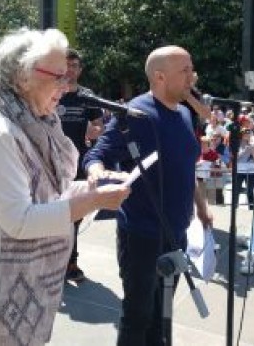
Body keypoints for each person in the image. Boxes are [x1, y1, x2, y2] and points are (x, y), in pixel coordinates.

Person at [0, 28, 129, 346]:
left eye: (68, 77)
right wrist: (93, 201)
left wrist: (94, 186)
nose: (67, 87)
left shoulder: (37, 123)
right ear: (24, 78)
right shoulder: (1, 134)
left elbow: (52, 194)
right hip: (2, 293)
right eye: (59, 77)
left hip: (31, 288)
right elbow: (21, 220)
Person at [83, 45, 213, 346]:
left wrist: (201, 207)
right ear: (160, 76)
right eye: (185, 70)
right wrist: (97, 171)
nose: (192, 76)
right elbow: (98, 153)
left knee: (162, 317)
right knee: (138, 316)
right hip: (142, 236)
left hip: (176, 233)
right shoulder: (137, 114)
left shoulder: (183, 113)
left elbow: (184, 165)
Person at [57, 48, 104, 282]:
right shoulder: (51, 92)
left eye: (75, 65)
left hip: (77, 163)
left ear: (80, 69)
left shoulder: (87, 96)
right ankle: (54, 261)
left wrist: (92, 131)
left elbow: (100, 128)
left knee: (75, 215)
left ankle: (71, 262)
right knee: (52, 212)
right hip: (50, 163)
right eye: (67, 65)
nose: (70, 69)